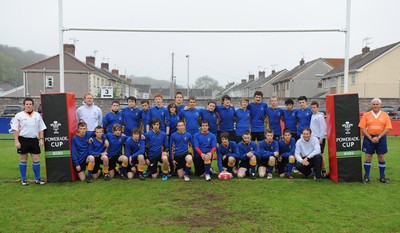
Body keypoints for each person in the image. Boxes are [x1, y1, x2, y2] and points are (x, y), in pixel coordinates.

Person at [10, 97, 47, 186]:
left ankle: (37, 179)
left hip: (34, 140)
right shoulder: (19, 115)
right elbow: (15, 129)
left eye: (30, 104)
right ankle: (23, 179)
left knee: (36, 159)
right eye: (27, 104)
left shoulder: (37, 115)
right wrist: (16, 141)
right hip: (23, 139)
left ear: (33, 105)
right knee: (23, 159)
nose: (28, 106)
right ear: (24, 105)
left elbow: (41, 128)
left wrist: (41, 139)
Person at [358, 98, 392, 184]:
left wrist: (379, 137)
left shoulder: (385, 115)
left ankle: (382, 177)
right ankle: (367, 177)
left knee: (381, 156)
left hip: (381, 138)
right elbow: (362, 127)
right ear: (371, 105)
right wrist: (370, 138)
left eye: (377, 104)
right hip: (369, 138)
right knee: (368, 156)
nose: (375, 106)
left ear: (380, 105)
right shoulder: (366, 115)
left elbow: (388, 128)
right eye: (374, 104)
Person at [310, 101, 327, 176]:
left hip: (319, 138)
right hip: (313, 138)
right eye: (312, 107)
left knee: (321, 154)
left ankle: (323, 170)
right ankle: (315, 169)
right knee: (314, 154)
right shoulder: (313, 115)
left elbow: (323, 128)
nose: (313, 109)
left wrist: (321, 138)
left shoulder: (320, 116)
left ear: (317, 108)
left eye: (314, 107)